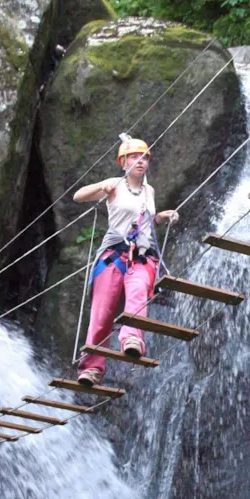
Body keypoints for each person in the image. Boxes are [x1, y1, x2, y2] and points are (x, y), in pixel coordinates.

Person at [72, 136, 180, 387]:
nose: (140, 161)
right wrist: (102, 188)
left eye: (144, 158)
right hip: (113, 255)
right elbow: (78, 196)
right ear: (123, 162)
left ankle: (131, 339)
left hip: (142, 255)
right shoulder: (115, 184)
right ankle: (91, 368)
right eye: (134, 157)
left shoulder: (149, 191)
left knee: (138, 291)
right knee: (103, 311)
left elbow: (146, 223)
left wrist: (162, 216)